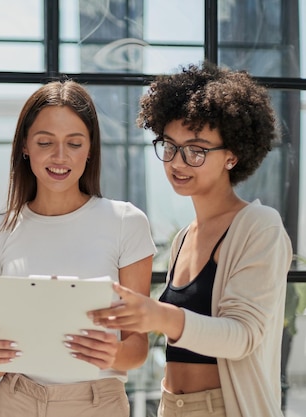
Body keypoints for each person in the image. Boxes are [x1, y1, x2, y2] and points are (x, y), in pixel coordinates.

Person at [90, 62, 293, 417]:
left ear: (232, 155)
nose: (177, 163)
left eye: (196, 150)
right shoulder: (185, 237)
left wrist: (159, 316)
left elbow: (242, 336)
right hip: (171, 405)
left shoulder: (259, 226)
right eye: (169, 146)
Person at [0, 79, 156, 417]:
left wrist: (109, 352)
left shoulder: (126, 223)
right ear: (25, 146)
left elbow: (138, 348)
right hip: (17, 401)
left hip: (97, 402)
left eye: (74, 143)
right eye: (45, 142)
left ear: (90, 149)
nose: (60, 156)